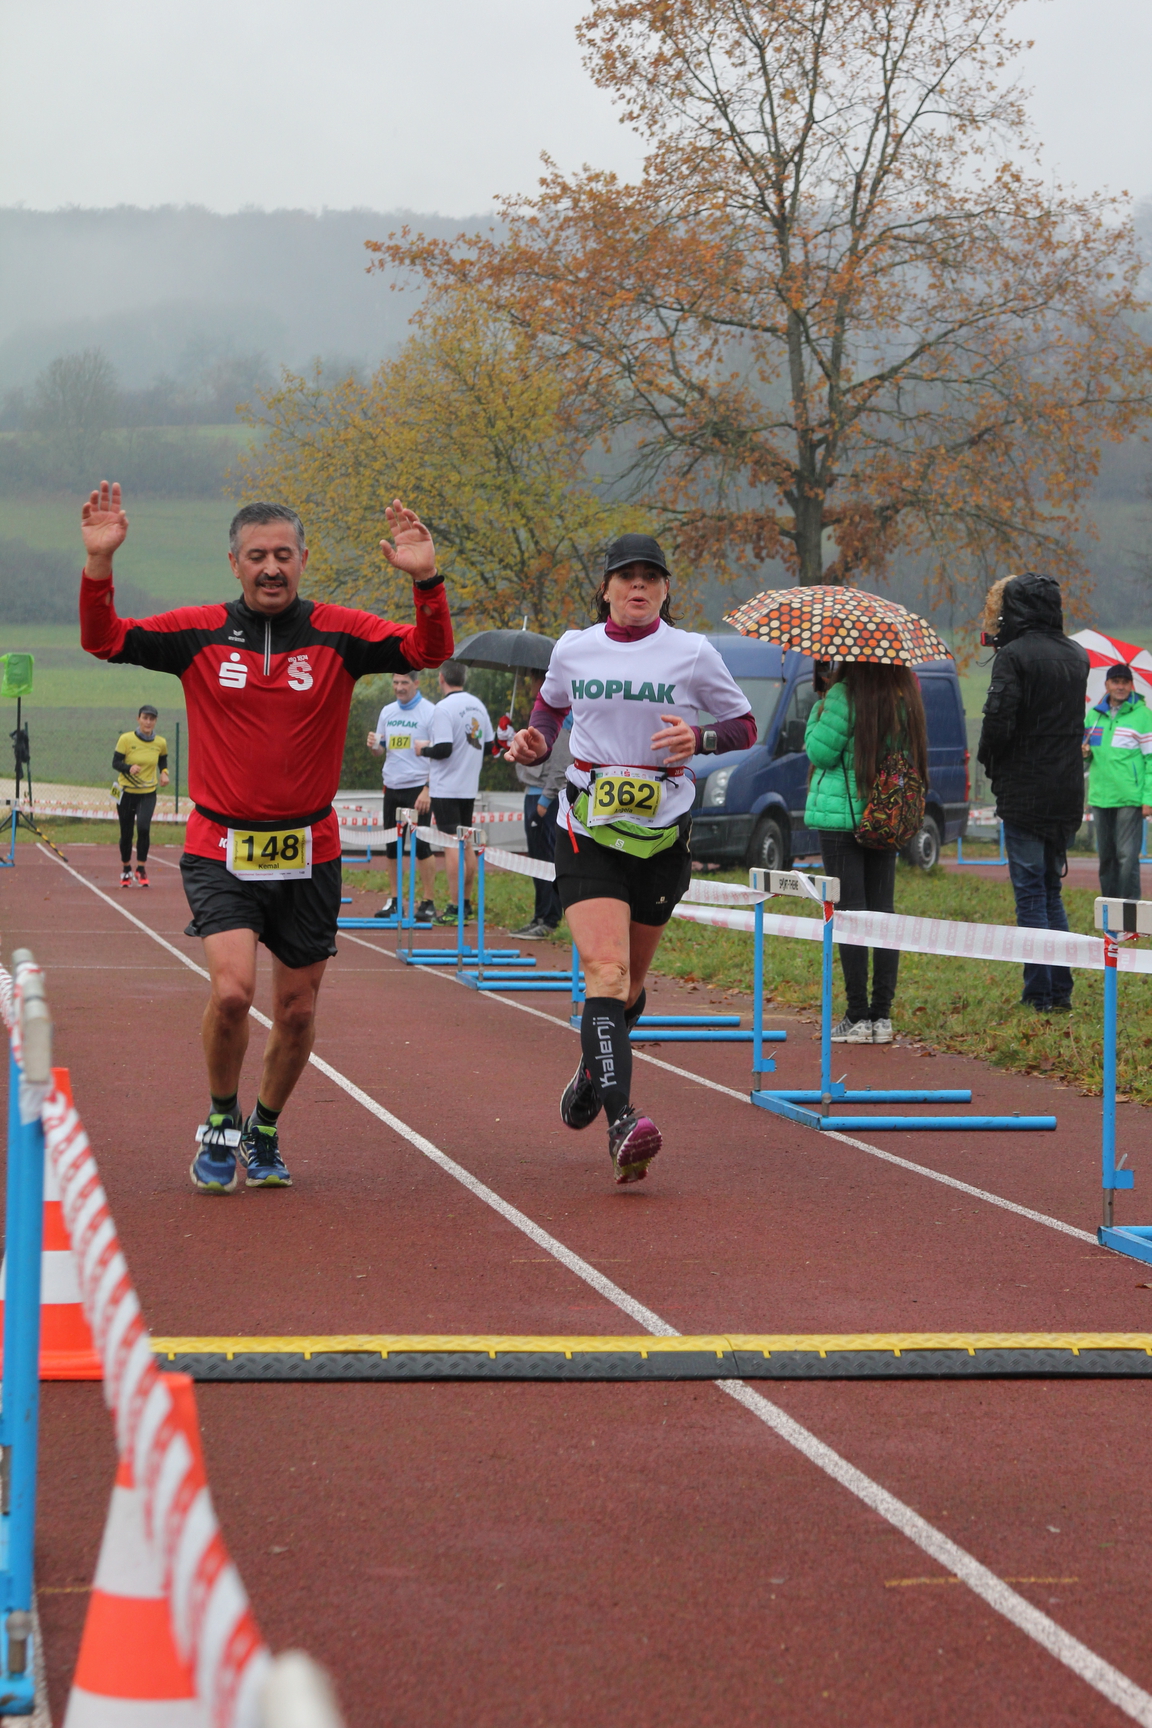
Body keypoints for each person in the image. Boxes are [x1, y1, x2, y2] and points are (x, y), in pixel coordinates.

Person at [79, 480, 452, 1192]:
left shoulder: (340, 632)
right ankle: (222, 1117)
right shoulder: (197, 632)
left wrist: (426, 579)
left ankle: (266, 1127)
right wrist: (99, 564)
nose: (272, 568)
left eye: (284, 554)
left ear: (303, 559)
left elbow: (427, 651)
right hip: (220, 846)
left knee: (298, 1010)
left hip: (310, 850)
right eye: (257, 556)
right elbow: (104, 639)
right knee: (231, 993)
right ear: (235, 564)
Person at [506, 533, 755, 1184]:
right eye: (626, 576)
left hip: (663, 833)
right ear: (607, 588)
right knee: (607, 973)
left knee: (630, 987)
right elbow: (550, 708)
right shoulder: (574, 647)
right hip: (587, 827)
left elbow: (743, 725)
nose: (638, 585)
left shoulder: (692, 652)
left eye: (651, 576)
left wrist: (699, 736)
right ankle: (622, 1120)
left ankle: (595, 1067)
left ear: (666, 589)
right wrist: (537, 743)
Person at [977, 572, 1089, 1013]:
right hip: (1067, 788)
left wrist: (991, 763)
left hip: (1025, 788)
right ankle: (1060, 990)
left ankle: (1039, 992)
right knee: (1050, 890)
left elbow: (998, 722)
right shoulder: (1076, 655)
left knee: (1029, 893)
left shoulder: (1014, 656)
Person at [804, 662, 929, 1044]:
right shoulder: (904, 696)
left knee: (850, 914)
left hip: (841, 817)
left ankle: (856, 1015)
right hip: (885, 813)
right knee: (882, 913)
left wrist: (819, 708)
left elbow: (819, 752)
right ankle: (882, 1016)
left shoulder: (842, 695)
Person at [414, 661, 493, 923]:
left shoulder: (443, 708)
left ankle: (454, 906)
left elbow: (444, 749)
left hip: (446, 787)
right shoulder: (478, 705)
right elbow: (490, 746)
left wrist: (423, 749)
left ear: (441, 678)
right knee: (466, 842)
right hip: (468, 785)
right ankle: (466, 904)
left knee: (451, 845)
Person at [366, 670, 438, 921]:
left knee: (422, 846)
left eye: (404, 682)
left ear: (416, 683)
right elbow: (381, 750)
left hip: (418, 789)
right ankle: (395, 901)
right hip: (392, 786)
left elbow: (439, 753)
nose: (399, 687)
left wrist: (428, 788)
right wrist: (374, 745)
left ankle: (428, 902)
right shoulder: (387, 711)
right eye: (396, 682)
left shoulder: (430, 712)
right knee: (392, 846)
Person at [1083, 663, 1152, 902]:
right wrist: (1084, 753)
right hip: (1100, 796)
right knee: (1106, 858)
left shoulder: (1144, 716)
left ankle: (1130, 913)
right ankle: (1109, 912)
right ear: (1107, 685)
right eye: (1116, 682)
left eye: (1124, 682)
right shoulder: (1093, 716)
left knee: (1127, 857)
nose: (1120, 687)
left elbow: (1151, 760)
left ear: (1131, 685)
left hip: (1129, 797)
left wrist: (1148, 799)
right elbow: (1087, 756)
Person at [510, 669, 568, 939]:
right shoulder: (539, 717)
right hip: (532, 793)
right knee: (536, 860)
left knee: (547, 859)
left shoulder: (561, 716)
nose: (531, 686)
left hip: (546, 798)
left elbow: (561, 763)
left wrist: (545, 800)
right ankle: (539, 915)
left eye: (534, 680)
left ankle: (550, 918)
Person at [112, 703, 169, 887]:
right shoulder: (126, 739)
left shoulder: (160, 742)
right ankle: (126, 868)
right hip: (126, 792)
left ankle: (141, 868)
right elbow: (115, 763)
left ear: (155, 721)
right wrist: (129, 767)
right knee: (126, 833)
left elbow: (162, 759)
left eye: (151, 719)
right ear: (138, 719)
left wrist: (164, 772)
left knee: (144, 828)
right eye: (145, 718)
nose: (148, 722)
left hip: (147, 793)